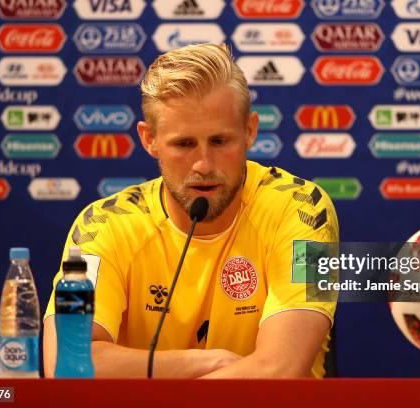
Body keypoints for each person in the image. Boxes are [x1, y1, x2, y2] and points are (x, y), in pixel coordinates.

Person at [43, 43, 339, 378]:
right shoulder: (101, 227)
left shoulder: (306, 212)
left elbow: (281, 368)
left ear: (249, 131)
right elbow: (66, 364)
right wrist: (205, 362)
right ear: (149, 138)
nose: (203, 164)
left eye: (219, 141)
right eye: (184, 144)